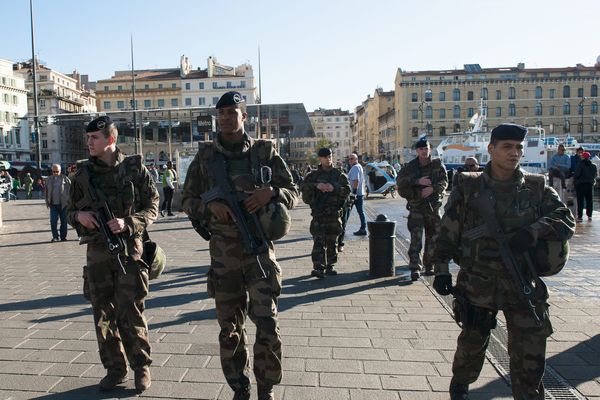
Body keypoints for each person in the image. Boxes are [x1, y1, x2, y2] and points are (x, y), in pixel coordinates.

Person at [432, 123, 575, 400]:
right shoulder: (469, 187)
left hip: (522, 282)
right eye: (507, 146)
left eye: (519, 147)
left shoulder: (536, 187)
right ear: (491, 149)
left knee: (530, 351)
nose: (515, 153)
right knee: (472, 343)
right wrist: (441, 270)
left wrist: (533, 231)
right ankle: (460, 385)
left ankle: (529, 394)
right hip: (478, 281)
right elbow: (447, 230)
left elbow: (565, 219)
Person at [182, 91, 298, 400]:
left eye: (231, 113)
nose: (225, 119)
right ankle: (239, 387)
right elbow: (186, 199)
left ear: (243, 116)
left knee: (267, 322)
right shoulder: (206, 158)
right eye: (220, 114)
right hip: (224, 255)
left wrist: (271, 192)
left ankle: (266, 387)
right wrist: (211, 208)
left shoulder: (264, 153)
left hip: (259, 251)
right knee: (229, 330)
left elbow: (295, 191)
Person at [67, 116, 159, 392]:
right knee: (102, 314)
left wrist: (128, 223)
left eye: (94, 138)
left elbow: (153, 207)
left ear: (111, 139)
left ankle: (141, 367)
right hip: (97, 254)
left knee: (131, 311)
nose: (89, 143)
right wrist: (79, 216)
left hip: (130, 251)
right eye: (87, 138)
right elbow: (70, 210)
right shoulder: (81, 175)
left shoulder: (135, 169)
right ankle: (114, 368)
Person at [396, 138, 448, 280]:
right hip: (416, 207)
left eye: (426, 148)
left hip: (433, 208)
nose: (424, 151)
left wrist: (433, 188)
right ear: (417, 151)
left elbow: (444, 182)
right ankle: (415, 268)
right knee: (416, 237)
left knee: (434, 238)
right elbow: (399, 182)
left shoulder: (437, 164)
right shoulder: (410, 166)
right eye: (421, 149)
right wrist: (417, 181)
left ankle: (429, 265)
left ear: (429, 149)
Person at [302, 148, 350, 279]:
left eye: (329, 156)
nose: (328, 159)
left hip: (334, 214)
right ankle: (318, 267)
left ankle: (330, 266)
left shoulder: (339, 175)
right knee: (318, 241)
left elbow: (347, 191)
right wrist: (316, 186)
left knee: (332, 241)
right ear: (320, 158)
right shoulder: (312, 176)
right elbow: (305, 193)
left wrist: (334, 188)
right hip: (319, 214)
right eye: (325, 157)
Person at [45, 164, 71, 242]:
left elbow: (71, 191)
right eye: (53, 171)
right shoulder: (49, 179)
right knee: (53, 221)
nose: (55, 173)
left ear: (60, 171)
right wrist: (47, 202)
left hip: (64, 204)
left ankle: (63, 237)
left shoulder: (65, 179)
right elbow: (46, 191)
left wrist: (69, 202)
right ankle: (55, 236)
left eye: (57, 171)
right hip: (53, 204)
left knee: (64, 222)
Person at [573, 151, 597, 222]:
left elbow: (577, 174)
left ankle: (580, 216)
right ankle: (590, 216)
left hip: (581, 185)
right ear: (589, 157)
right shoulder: (594, 166)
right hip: (590, 185)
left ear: (583, 157)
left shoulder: (580, 164)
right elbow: (595, 175)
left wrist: (575, 179)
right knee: (589, 201)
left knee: (580, 201)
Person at [347, 153, 367, 236]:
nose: (350, 160)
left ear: (356, 159)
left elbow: (356, 181)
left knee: (347, 211)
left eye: (352, 159)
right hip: (359, 193)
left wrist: (353, 193)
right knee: (360, 212)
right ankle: (363, 228)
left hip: (355, 194)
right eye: (349, 159)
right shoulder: (359, 166)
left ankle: (341, 228)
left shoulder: (355, 168)